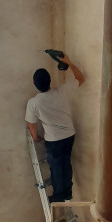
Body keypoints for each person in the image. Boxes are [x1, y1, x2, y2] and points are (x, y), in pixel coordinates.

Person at [26, 53, 84, 202]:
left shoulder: (33, 103)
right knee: (65, 162)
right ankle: (68, 191)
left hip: (54, 140)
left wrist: (35, 137)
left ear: (35, 84)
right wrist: (69, 62)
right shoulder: (62, 92)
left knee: (56, 167)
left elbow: (31, 125)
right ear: (50, 81)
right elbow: (80, 78)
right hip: (70, 135)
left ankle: (59, 196)